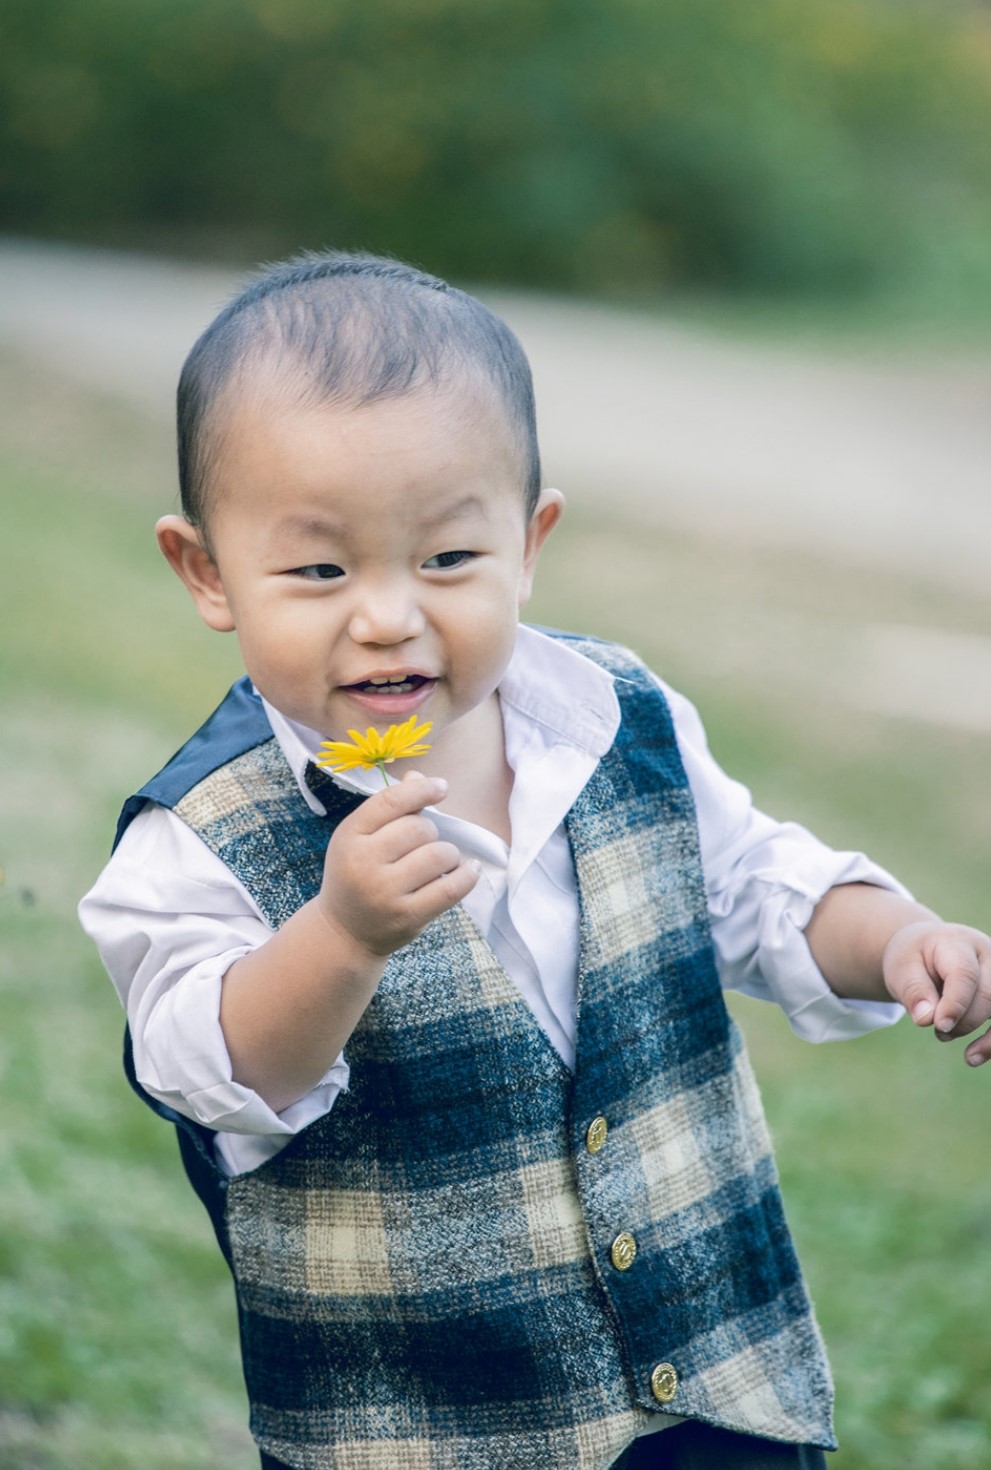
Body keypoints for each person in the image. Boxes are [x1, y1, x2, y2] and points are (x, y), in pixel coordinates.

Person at [79, 250, 991, 1470]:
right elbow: (209, 1071)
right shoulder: (199, 835)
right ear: (206, 572)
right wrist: (338, 939)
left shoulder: (615, 716)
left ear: (529, 539)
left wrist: (899, 938)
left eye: (447, 559)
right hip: (426, 1424)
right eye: (318, 570)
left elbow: (752, 887)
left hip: (715, 1385)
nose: (389, 614)